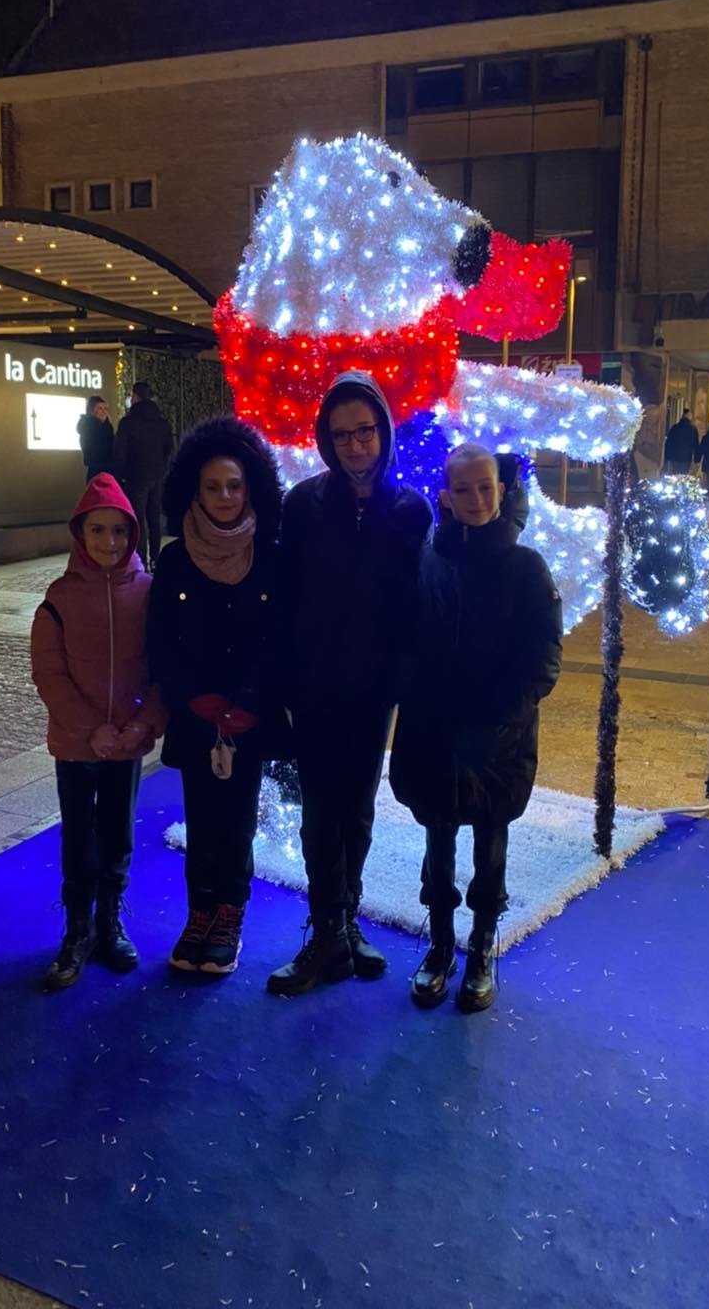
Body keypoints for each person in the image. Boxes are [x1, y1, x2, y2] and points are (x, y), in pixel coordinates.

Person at [266, 371, 432, 997]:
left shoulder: (410, 511)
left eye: (365, 431)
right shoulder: (303, 505)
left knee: (358, 808)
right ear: (326, 440)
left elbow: (415, 607)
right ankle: (325, 929)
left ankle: (346, 919)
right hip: (313, 686)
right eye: (342, 435)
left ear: (382, 431)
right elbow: (284, 598)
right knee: (319, 810)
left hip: (373, 690)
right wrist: (285, 680)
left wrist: (399, 680)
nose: (355, 445)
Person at [390, 445, 563, 1013]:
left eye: (485, 487)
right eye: (463, 489)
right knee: (438, 835)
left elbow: (544, 654)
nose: (476, 499)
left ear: (501, 489)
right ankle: (440, 942)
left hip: (498, 734)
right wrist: (414, 690)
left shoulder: (525, 567)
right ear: (446, 496)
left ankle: (482, 944)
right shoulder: (427, 561)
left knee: (491, 837)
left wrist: (508, 712)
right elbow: (407, 634)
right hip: (435, 727)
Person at [148, 415, 287, 975]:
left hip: (248, 718)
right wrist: (193, 697)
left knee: (237, 823)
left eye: (234, 485)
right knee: (201, 820)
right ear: (195, 490)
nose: (225, 496)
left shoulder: (270, 555)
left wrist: (249, 701)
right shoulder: (176, 558)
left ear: (250, 487)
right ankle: (199, 914)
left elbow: (281, 640)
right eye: (213, 487)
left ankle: (230, 914)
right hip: (196, 716)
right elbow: (161, 639)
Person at [30, 472, 164, 991]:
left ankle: (109, 920)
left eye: (119, 531)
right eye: (98, 530)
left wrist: (143, 721)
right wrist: (89, 729)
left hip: (126, 743)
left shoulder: (149, 594)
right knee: (78, 837)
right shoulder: (60, 598)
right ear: (80, 534)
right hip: (76, 744)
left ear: (132, 534)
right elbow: (50, 672)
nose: (109, 542)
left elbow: (162, 669)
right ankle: (77, 929)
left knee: (117, 833)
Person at [114, 381, 174, 570]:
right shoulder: (162, 423)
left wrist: (120, 475)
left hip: (135, 477)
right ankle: (156, 559)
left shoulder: (128, 423)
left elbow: (120, 452)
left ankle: (141, 562)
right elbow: (169, 449)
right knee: (154, 519)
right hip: (157, 476)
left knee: (138, 520)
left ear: (135, 397)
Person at [77, 395, 115, 483]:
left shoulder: (106, 426)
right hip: (97, 470)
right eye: (100, 408)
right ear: (91, 411)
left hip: (106, 470)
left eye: (105, 408)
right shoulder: (89, 427)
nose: (104, 411)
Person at [663, 409, 698, 474]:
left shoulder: (675, 428)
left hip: (675, 456)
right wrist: (696, 458)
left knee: (675, 474)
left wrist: (667, 455)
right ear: (689, 417)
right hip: (686, 456)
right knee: (683, 474)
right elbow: (695, 444)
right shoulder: (693, 429)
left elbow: (669, 442)